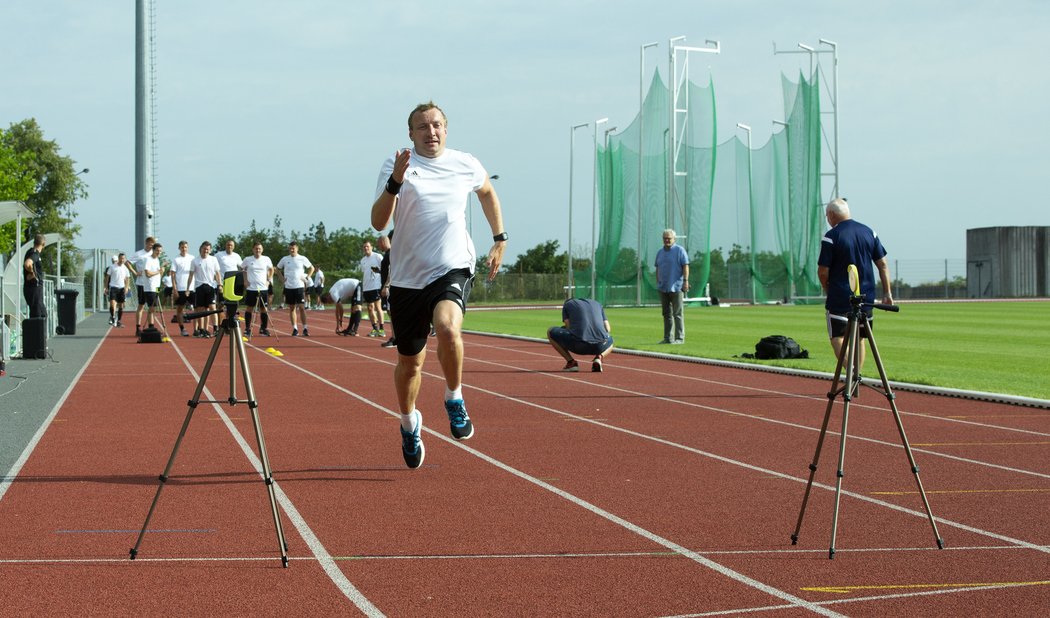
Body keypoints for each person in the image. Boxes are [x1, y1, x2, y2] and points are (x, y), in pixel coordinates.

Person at [371, 100, 506, 469]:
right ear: (411, 134)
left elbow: (487, 193)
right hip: (407, 279)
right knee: (410, 363)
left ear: (446, 129)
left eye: (437, 125)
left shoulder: (465, 163)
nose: (431, 132)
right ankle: (409, 422)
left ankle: (454, 397)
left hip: (451, 267)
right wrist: (395, 181)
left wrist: (500, 237)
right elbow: (378, 223)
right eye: (422, 127)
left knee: (448, 327)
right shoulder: (397, 164)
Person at [817, 197, 893, 372]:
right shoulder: (869, 232)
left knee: (837, 337)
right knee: (860, 338)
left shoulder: (831, 237)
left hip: (840, 296)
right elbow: (882, 264)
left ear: (831, 215)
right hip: (866, 296)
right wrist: (887, 292)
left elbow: (823, 271)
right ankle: (857, 376)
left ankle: (851, 372)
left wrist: (827, 288)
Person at [547, 298, 614, 373]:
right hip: (600, 346)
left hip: (579, 344)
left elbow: (568, 326)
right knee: (611, 340)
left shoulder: (567, 305)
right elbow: (607, 329)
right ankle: (599, 357)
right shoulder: (597, 304)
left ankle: (571, 363)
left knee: (550, 331)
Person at [654, 228, 689, 344]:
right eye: (665, 238)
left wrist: (686, 281)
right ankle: (668, 337)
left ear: (674, 239)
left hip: (676, 286)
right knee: (666, 314)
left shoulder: (680, 251)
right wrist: (658, 281)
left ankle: (680, 338)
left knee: (677, 313)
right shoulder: (660, 252)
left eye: (669, 238)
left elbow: (685, 266)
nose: (667, 240)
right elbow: (657, 267)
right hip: (663, 287)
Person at [275, 241, 314, 337]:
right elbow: (277, 269)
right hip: (288, 287)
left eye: (293, 248)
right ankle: (295, 328)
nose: (292, 250)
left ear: (297, 248)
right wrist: (281, 278)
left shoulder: (302, 258)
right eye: (290, 248)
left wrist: (307, 278)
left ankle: (305, 328)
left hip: (299, 286)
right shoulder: (285, 259)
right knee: (292, 308)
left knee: (301, 308)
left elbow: (311, 268)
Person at [188, 240, 222, 338]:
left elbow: (218, 273)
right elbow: (191, 275)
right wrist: (188, 288)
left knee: (212, 308)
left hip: (211, 286)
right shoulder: (195, 261)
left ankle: (215, 329)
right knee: (200, 310)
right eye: (204, 249)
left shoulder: (213, 259)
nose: (205, 251)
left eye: (207, 249)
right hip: (199, 287)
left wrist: (220, 285)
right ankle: (201, 329)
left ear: (210, 250)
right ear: (200, 249)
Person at [241, 241, 275, 338]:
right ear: (253, 249)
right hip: (251, 288)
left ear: (262, 249)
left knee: (263, 309)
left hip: (263, 288)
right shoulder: (248, 259)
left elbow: (272, 269)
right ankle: (247, 329)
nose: (258, 250)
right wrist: (245, 281)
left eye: (259, 248)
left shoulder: (266, 259)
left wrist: (269, 280)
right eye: (256, 248)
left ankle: (263, 328)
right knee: (249, 308)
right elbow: (242, 269)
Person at [126, 236, 155, 336]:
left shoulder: (154, 254)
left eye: (152, 245)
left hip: (152, 285)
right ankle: (138, 327)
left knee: (152, 306)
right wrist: (134, 272)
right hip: (142, 283)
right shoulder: (139, 254)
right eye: (150, 244)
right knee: (141, 305)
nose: (151, 246)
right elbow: (128, 262)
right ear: (146, 243)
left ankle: (151, 326)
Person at [170, 240, 196, 337]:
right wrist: (175, 289)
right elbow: (172, 275)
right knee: (180, 309)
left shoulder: (192, 258)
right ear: (179, 248)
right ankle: (182, 328)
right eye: (182, 247)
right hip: (181, 288)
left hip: (192, 288)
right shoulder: (176, 259)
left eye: (185, 247)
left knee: (197, 309)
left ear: (187, 248)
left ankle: (197, 329)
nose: (184, 249)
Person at [359, 240, 385, 337]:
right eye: (364, 247)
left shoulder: (377, 256)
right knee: (370, 308)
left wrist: (377, 271)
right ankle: (374, 328)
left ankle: (382, 329)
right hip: (366, 288)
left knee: (378, 307)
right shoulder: (363, 260)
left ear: (371, 247)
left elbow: (384, 269)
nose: (366, 248)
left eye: (367, 246)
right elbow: (364, 273)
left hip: (376, 286)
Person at [140, 242, 166, 332]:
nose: (159, 252)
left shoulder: (157, 260)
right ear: (153, 250)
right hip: (150, 287)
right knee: (151, 307)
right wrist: (158, 271)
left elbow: (158, 275)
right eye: (157, 250)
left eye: (160, 251)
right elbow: (148, 274)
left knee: (154, 307)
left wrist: (162, 271)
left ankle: (151, 325)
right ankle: (151, 325)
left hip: (157, 287)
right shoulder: (148, 260)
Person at [377, 233, 397, 348]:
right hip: (389, 285)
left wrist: (387, 285)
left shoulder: (390, 254)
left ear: (383, 242)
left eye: (378, 244)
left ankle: (395, 337)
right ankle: (395, 336)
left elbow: (392, 271)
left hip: (390, 287)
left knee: (392, 312)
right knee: (391, 313)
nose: (378, 247)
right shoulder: (387, 255)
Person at [104, 253, 132, 327]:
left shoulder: (125, 268)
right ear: (118, 259)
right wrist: (106, 287)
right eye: (121, 258)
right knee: (112, 304)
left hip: (121, 288)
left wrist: (126, 287)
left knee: (121, 306)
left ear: (125, 259)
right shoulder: (112, 267)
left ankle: (119, 320)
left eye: (123, 259)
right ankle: (113, 317)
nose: (122, 260)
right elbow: (107, 277)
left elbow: (127, 278)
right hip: (113, 287)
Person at [22, 233, 47, 318]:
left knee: (42, 314)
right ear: (43, 244)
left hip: (32, 289)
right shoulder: (35, 254)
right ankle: (36, 331)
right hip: (34, 288)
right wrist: (32, 273)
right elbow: (27, 263)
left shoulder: (30, 252)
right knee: (38, 315)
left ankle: (38, 331)